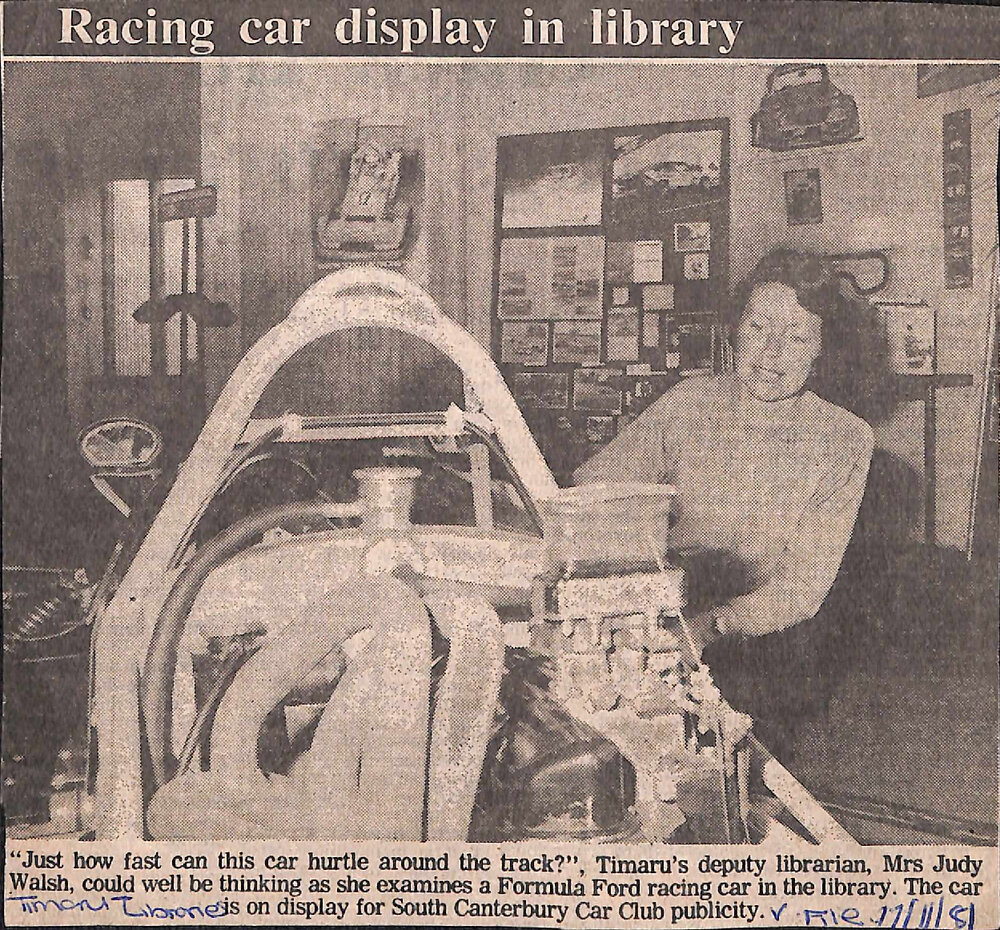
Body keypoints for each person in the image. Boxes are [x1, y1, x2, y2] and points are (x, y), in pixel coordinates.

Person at [574, 248, 883, 752]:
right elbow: (596, 491)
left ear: (823, 351)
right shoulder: (689, 404)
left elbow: (803, 589)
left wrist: (711, 628)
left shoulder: (844, 439)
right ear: (736, 329)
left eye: (797, 337)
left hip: (760, 638)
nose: (771, 353)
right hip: (658, 613)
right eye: (760, 328)